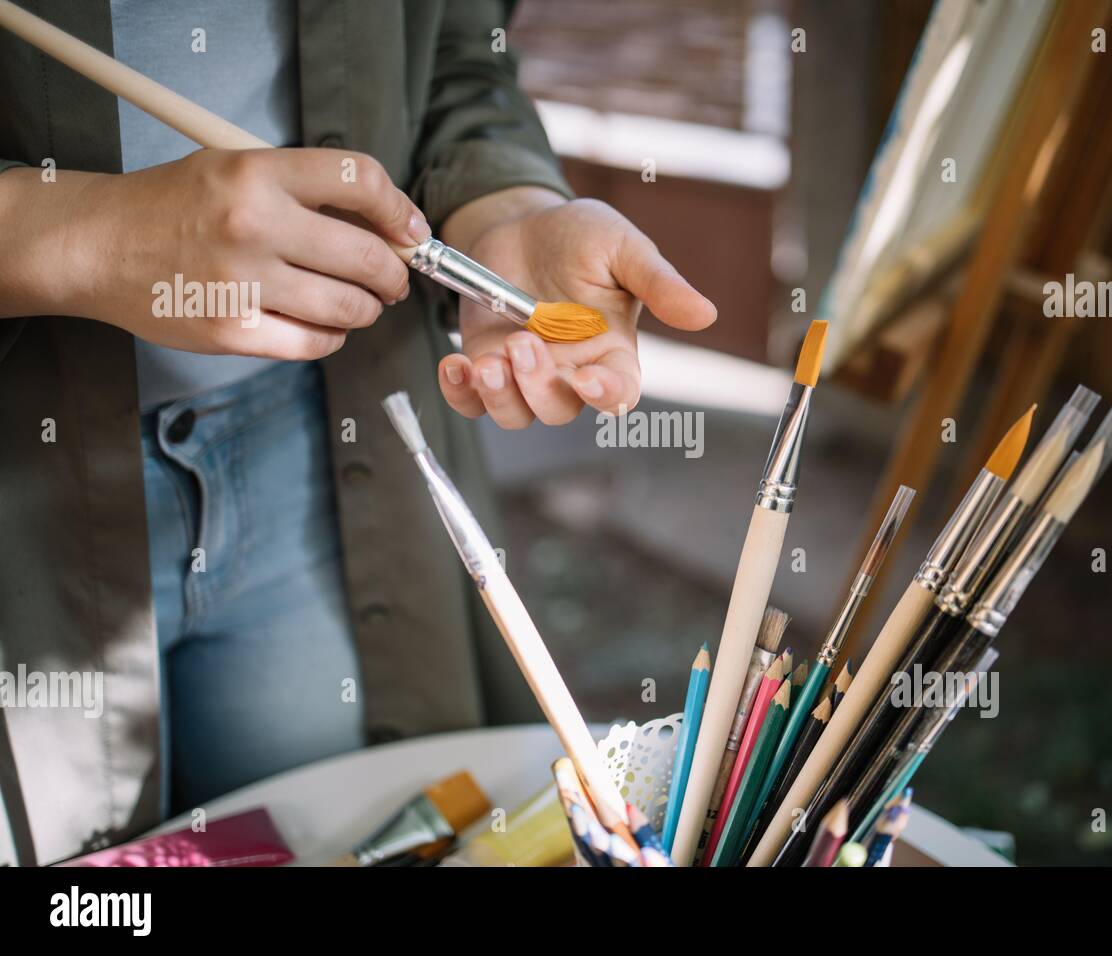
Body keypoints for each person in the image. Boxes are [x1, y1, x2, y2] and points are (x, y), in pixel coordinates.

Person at [0, 0, 715, 866]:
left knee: (341, 833)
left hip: (322, 442)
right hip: (23, 505)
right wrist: (75, 238)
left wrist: (505, 210)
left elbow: (454, 51)